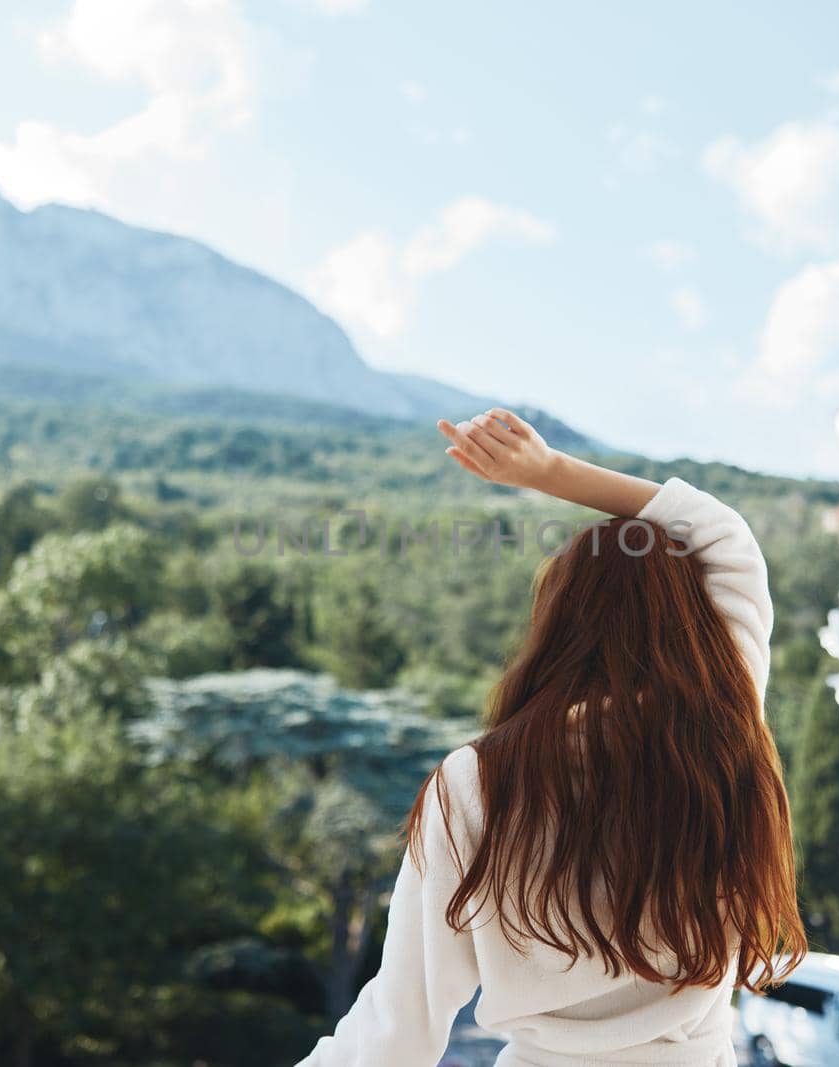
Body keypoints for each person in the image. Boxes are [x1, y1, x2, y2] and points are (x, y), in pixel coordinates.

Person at [298, 409, 805, 1067]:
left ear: (559, 627)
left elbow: (400, 1027)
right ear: (699, 630)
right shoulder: (723, 731)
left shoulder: (477, 781)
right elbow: (720, 532)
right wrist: (547, 470)